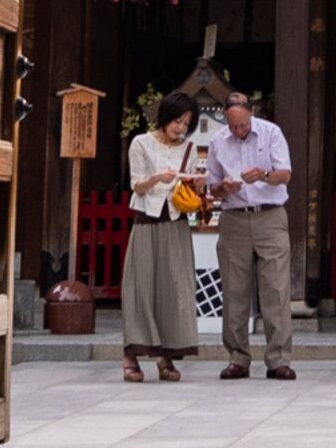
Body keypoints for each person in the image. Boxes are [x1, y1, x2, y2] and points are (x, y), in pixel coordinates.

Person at [202, 89, 297, 379]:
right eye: (232, 125)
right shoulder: (219, 142)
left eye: (242, 124)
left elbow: (285, 174)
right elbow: (211, 188)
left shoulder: (271, 133)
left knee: (276, 287)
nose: (238, 130)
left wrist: (263, 175)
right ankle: (237, 357)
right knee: (233, 289)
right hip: (234, 218)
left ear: (251, 114)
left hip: (270, 215)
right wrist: (223, 189)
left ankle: (279, 358)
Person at [118, 91, 210, 382]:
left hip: (176, 223)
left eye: (186, 123)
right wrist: (158, 177)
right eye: (178, 121)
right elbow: (136, 186)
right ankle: (131, 356)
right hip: (146, 222)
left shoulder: (189, 148)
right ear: (165, 116)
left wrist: (198, 184)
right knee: (140, 288)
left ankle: (165, 356)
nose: (181, 128)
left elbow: (189, 189)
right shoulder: (141, 143)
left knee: (175, 289)